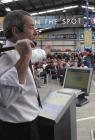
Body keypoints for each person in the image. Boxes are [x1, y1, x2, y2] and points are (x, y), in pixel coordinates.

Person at [0, 10, 45, 140]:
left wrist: (45, 51)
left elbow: (36, 54)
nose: (35, 32)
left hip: (31, 122)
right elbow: (4, 99)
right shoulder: (5, 58)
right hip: (17, 129)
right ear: (15, 31)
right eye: (31, 27)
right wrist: (25, 57)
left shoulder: (22, 52)